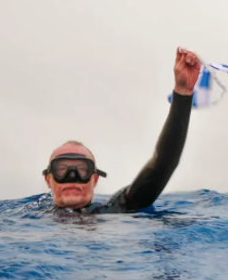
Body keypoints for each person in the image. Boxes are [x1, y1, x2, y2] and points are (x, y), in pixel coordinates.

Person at [41, 47, 201, 214]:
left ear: (94, 179)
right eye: (61, 168)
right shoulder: (26, 219)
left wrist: (183, 92)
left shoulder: (116, 210)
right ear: (48, 178)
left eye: (82, 169)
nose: (71, 177)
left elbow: (163, 163)